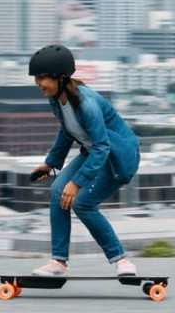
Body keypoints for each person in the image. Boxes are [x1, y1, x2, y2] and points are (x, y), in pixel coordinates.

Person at [27, 45, 142, 277]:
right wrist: (50, 164)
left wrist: (77, 182)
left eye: (41, 77)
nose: (37, 83)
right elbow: (66, 131)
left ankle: (122, 260)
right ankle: (59, 262)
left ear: (60, 77)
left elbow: (103, 146)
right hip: (95, 153)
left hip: (117, 157)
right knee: (57, 192)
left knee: (82, 203)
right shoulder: (56, 98)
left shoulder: (87, 103)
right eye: (35, 77)